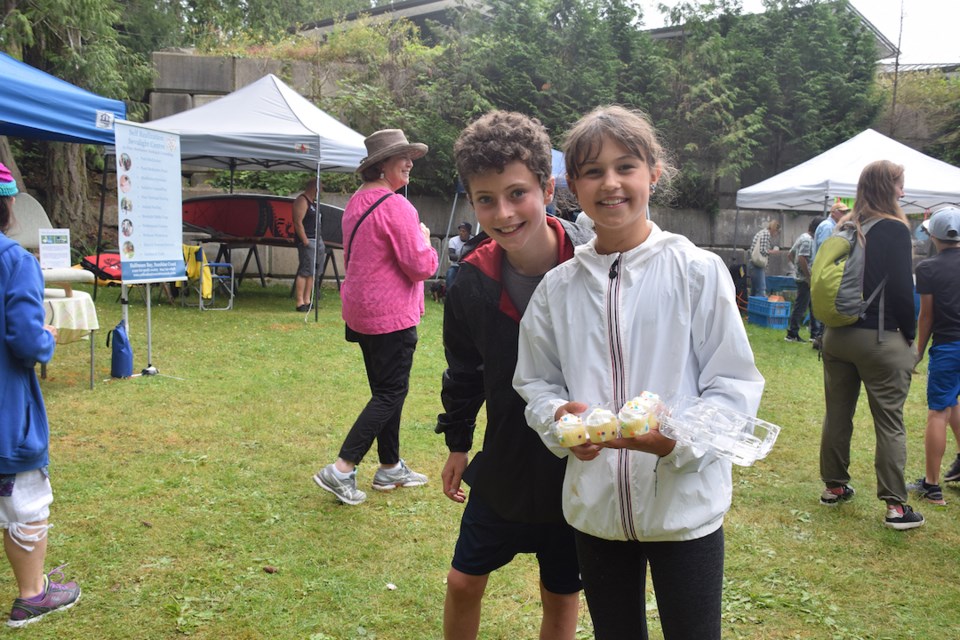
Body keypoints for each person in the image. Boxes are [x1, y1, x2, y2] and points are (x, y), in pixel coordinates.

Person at [513, 105, 764, 640]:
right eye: (592, 171)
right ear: (571, 186)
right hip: (596, 511)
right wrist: (560, 418)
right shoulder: (558, 289)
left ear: (654, 171)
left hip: (685, 509)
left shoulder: (696, 271)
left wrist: (676, 444)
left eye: (625, 166)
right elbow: (535, 381)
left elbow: (733, 385)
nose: (611, 183)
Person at [437, 111, 593, 640]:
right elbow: (463, 370)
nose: (503, 213)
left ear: (548, 188)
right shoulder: (470, 282)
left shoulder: (593, 264)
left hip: (576, 465)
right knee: (462, 582)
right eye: (485, 199)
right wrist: (458, 444)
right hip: (503, 461)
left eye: (517, 193)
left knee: (561, 592)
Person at [313, 129, 438, 506]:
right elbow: (419, 266)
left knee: (385, 390)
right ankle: (341, 469)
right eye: (403, 157)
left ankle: (389, 466)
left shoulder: (357, 201)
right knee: (390, 392)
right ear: (382, 165)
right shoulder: (398, 206)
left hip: (361, 311)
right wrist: (426, 240)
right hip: (390, 315)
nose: (410, 163)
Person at [817, 159, 924, 530]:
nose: (903, 192)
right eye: (899, 185)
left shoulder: (847, 225)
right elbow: (899, 289)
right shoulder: (893, 229)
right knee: (890, 422)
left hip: (837, 335)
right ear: (886, 187)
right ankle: (896, 508)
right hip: (879, 336)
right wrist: (909, 337)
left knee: (838, 413)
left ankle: (834, 487)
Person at [0, 163, 81, 627]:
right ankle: (32, 594)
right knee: (26, 499)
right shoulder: (15, 262)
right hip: (7, 407)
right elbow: (26, 340)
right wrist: (47, 335)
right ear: (9, 207)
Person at [909, 207, 960, 504]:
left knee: (938, 412)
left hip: (948, 346)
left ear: (933, 235)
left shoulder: (928, 268)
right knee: (952, 402)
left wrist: (917, 352)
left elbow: (926, 316)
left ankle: (932, 486)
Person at [810, 201, 852, 350]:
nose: (845, 214)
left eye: (846, 211)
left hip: (821, 269)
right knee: (828, 305)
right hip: (826, 271)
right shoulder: (829, 227)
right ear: (833, 212)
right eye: (842, 211)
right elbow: (827, 251)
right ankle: (821, 339)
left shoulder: (827, 226)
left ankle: (820, 338)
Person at [785, 216, 823, 343]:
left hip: (802, 278)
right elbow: (802, 257)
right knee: (801, 307)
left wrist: (797, 270)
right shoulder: (808, 240)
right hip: (806, 280)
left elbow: (790, 254)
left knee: (811, 306)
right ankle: (792, 334)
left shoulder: (803, 237)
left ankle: (814, 334)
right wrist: (808, 276)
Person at [292, 177, 326, 312]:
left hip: (317, 239)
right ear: (314, 187)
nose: (320, 191)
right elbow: (297, 221)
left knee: (313, 271)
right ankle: (300, 302)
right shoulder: (302, 200)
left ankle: (307, 300)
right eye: (320, 188)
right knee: (305, 270)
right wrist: (304, 240)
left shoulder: (314, 203)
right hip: (308, 240)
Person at [748, 220, 780, 297]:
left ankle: (752, 309)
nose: (776, 234)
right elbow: (763, 251)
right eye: (777, 232)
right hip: (757, 265)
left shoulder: (762, 232)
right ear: (775, 230)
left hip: (752, 264)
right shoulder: (766, 234)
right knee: (761, 290)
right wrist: (773, 251)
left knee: (754, 290)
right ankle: (758, 308)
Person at [444, 221, 473, 288]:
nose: (461, 233)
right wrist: (465, 258)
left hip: (469, 267)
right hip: (456, 266)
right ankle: (449, 295)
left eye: (464, 231)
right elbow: (451, 255)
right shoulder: (453, 240)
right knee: (450, 274)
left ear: (469, 233)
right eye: (460, 231)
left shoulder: (473, 240)